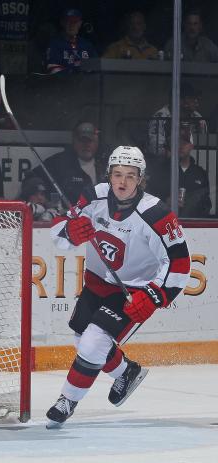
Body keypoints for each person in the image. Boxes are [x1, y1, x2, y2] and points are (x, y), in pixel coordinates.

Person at [45, 146, 190, 428]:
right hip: (96, 284)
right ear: (109, 175)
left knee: (93, 343)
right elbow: (58, 228)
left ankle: (67, 401)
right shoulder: (93, 196)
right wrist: (70, 232)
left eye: (131, 176)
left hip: (131, 291)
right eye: (118, 175)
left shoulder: (157, 214)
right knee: (81, 339)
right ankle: (127, 372)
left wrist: (153, 296)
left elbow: (179, 264)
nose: (123, 182)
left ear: (141, 179)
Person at [30, 122, 105, 205]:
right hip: (71, 216)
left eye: (90, 141)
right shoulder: (58, 163)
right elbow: (32, 178)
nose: (86, 145)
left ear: (97, 142)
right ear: (74, 141)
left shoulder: (107, 164)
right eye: (82, 141)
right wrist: (40, 197)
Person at [147, 128, 211, 218]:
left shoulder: (200, 173)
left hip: (194, 227)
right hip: (164, 223)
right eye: (177, 143)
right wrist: (165, 202)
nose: (180, 146)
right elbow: (148, 199)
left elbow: (207, 204)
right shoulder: (160, 171)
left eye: (184, 143)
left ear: (191, 146)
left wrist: (192, 208)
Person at [148, 82, 206, 157]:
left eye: (196, 98)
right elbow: (155, 148)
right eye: (192, 98)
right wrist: (177, 158)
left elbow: (203, 146)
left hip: (192, 162)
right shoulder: (161, 117)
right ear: (180, 100)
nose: (196, 101)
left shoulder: (198, 118)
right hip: (166, 163)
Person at [45, 9, 98, 74]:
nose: (71, 25)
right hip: (64, 83)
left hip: (87, 83)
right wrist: (76, 69)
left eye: (75, 22)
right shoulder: (55, 44)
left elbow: (97, 68)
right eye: (68, 21)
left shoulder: (87, 45)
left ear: (80, 24)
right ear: (62, 23)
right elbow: (54, 70)